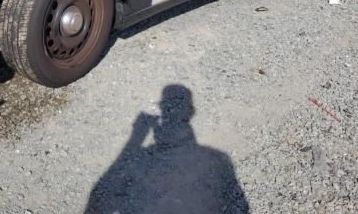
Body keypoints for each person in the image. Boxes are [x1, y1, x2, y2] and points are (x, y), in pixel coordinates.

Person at [86, 85, 249, 214]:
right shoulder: (218, 158)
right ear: (191, 112)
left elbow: (99, 195)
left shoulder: (144, 156)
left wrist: (136, 138)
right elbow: (240, 205)